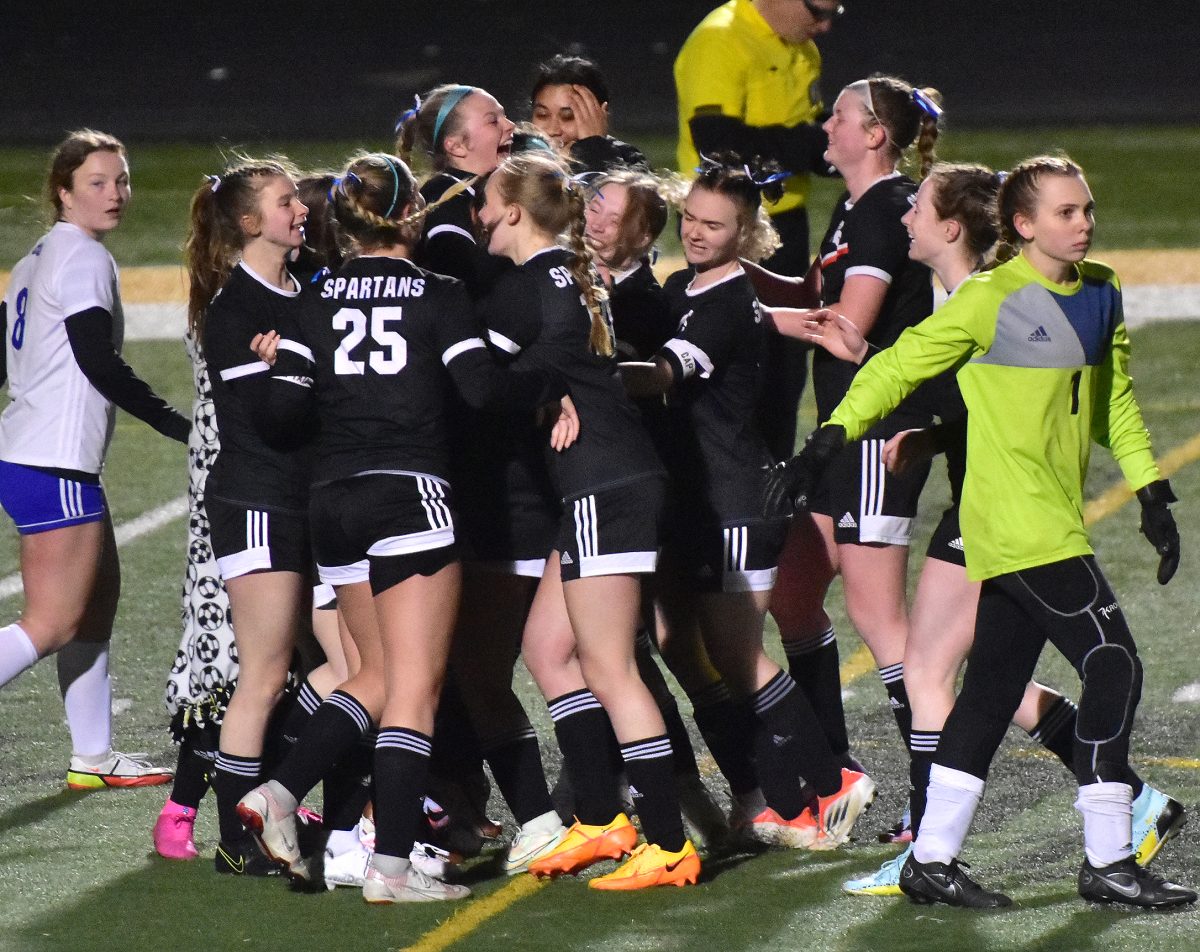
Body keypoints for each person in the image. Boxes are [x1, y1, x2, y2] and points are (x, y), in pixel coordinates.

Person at [767, 154, 1196, 910]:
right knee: (1113, 663)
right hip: (1014, 522)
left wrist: (1151, 490)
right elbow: (895, 368)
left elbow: (1113, 403)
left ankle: (931, 860)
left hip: (1053, 515)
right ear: (1022, 225)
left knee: (991, 690)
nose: (1084, 222)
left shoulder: (1101, 292)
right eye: (1065, 212)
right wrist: (828, 441)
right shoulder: (988, 298)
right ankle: (1109, 858)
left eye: (1087, 208)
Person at [236, 152, 571, 903]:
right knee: (414, 690)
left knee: (376, 678)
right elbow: (482, 393)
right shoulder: (438, 292)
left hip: (333, 504)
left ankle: (279, 792)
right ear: (410, 214)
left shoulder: (311, 301)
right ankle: (389, 868)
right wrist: (559, 377)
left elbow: (282, 417)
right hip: (409, 496)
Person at [619, 156, 875, 850]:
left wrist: (582, 372)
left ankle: (831, 781)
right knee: (698, 646)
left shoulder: (722, 304)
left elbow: (662, 373)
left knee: (736, 656)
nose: (698, 233)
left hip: (737, 500)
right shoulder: (700, 289)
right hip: (717, 501)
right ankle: (781, 795)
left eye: (716, 225)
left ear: (745, 233)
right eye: (692, 219)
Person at [477, 150, 700, 890]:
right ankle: (601, 819)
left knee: (609, 664)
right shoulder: (571, 273)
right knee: (548, 646)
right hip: (607, 478)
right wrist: (548, 388)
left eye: (485, 201)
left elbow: (472, 387)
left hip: (605, 482)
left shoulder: (520, 288)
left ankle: (667, 843)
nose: (478, 213)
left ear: (513, 211)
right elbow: (561, 366)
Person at [762, 77, 942, 811]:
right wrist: (727, 280)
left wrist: (741, 319)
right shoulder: (856, 206)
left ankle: (932, 797)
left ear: (873, 135)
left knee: (882, 623)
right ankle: (832, 771)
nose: (823, 126)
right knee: (794, 593)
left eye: (836, 115)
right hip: (842, 435)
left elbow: (847, 330)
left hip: (875, 432)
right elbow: (812, 298)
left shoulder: (883, 210)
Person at [0, 129, 185, 791]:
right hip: (54, 462)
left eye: (121, 181)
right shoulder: (81, 259)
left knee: (96, 601)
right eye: (98, 184)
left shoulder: (35, 259)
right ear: (64, 192)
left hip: (32, 456)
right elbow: (95, 357)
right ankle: (95, 755)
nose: (116, 195)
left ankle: (95, 755)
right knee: (52, 620)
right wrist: (172, 422)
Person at [184, 156, 318, 875]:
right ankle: (238, 839)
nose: (299, 208)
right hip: (258, 501)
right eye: (284, 200)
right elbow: (264, 423)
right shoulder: (236, 308)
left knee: (349, 665)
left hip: (307, 500)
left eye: (296, 196)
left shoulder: (306, 288)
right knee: (265, 673)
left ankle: (274, 795)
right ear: (247, 222)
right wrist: (291, 373)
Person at [674, 0, 844, 461]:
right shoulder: (721, 39)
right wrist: (816, 146)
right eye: (819, 10)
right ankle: (727, 496)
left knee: (785, 373)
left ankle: (774, 489)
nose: (826, 24)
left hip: (784, 223)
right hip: (727, 225)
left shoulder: (802, 45)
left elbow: (807, 139)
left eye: (835, 10)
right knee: (734, 366)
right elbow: (721, 143)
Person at [529, 54, 648, 173]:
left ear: (601, 115)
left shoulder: (629, 161)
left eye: (568, 116)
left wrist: (593, 147)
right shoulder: (515, 161)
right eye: (542, 114)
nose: (552, 130)